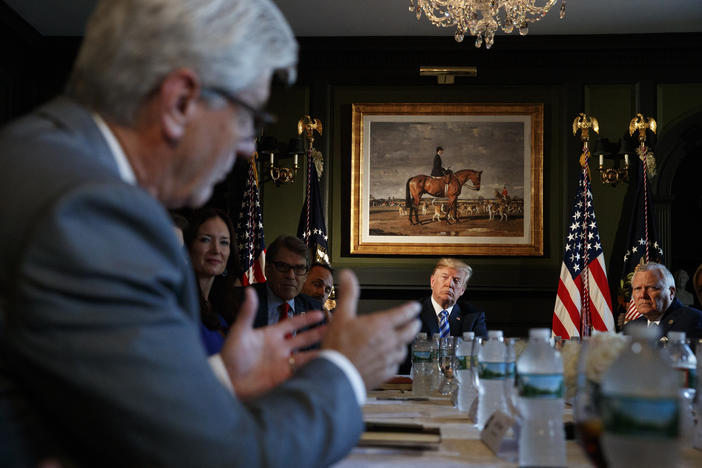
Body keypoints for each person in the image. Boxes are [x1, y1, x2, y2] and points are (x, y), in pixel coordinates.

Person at [0, 1, 421, 466]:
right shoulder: (94, 211)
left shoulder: (33, 153)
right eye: (249, 119)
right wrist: (344, 371)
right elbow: (220, 459)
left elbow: (89, 404)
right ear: (180, 101)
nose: (246, 148)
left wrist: (216, 378)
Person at [399, 258, 487, 374]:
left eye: (456, 280)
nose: (449, 284)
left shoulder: (473, 316)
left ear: (462, 290)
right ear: (432, 281)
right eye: (445, 277)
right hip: (419, 380)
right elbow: (400, 359)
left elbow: (481, 357)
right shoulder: (411, 314)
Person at [185, 207, 239, 355]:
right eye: (206, 240)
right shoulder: (179, 303)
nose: (216, 250)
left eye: (224, 242)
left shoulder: (225, 306)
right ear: (189, 247)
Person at [248, 235, 321, 328]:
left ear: (306, 275)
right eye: (282, 266)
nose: (291, 276)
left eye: (299, 268)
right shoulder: (241, 302)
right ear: (267, 269)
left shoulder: (315, 310)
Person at [623, 262, 702, 341]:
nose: (642, 295)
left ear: (671, 292)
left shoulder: (693, 320)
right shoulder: (631, 328)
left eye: (651, 288)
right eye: (637, 288)